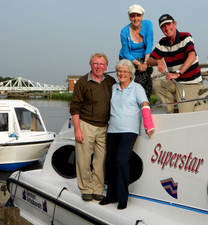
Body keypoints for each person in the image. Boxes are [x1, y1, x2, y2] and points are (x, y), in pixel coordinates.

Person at [99, 59, 154, 210]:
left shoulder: (137, 88)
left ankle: (123, 197)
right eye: (120, 71)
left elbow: (144, 104)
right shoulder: (113, 88)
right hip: (112, 130)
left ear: (130, 74)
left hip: (129, 130)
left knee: (121, 161)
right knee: (109, 162)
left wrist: (148, 124)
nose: (122, 74)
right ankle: (110, 195)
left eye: (125, 72)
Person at [147, 14, 208, 113]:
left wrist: (178, 73)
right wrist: (158, 61)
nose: (167, 28)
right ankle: (173, 109)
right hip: (175, 82)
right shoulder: (162, 43)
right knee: (157, 84)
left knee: (185, 115)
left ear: (175, 24)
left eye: (169, 24)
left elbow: (192, 56)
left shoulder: (186, 37)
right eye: (163, 26)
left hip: (190, 82)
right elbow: (149, 61)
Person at [70, 53, 116, 201]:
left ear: (106, 67)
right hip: (86, 125)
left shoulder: (110, 81)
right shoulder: (82, 82)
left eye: (102, 64)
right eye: (96, 64)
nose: (98, 67)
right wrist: (77, 129)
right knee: (83, 160)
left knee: (100, 160)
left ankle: (97, 189)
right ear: (91, 65)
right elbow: (75, 108)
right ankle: (85, 189)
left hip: (104, 127)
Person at [119, 4, 154, 100]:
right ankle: (132, 101)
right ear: (130, 17)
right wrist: (139, 64)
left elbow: (149, 45)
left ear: (142, 16)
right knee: (139, 79)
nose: (135, 18)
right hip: (128, 57)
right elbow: (126, 53)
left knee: (147, 79)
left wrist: (145, 63)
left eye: (138, 15)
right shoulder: (124, 31)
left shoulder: (148, 24)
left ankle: (145, 103)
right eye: (133, 16)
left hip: (143, 57)